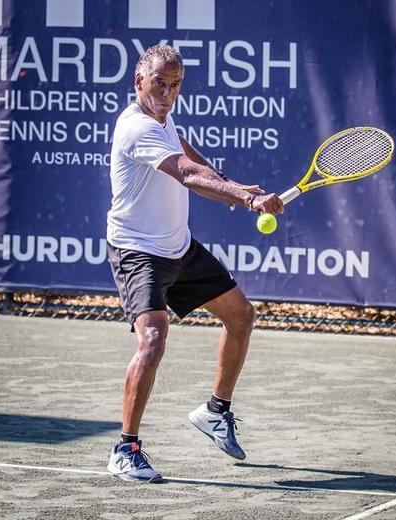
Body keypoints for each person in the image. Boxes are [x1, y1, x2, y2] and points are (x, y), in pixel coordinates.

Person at [106, 44, 284, 482]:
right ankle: (125, 449)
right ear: (139, 82)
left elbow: (189, 157)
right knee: (152, 339)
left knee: (241, 316)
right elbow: (185, 173)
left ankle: (215, 411)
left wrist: (228, 184)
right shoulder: (136, 128)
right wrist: (246, 198)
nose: (167, 94)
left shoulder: (163, 119)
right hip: (138, 251)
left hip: (178, 247)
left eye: (175, 85)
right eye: (159, 84)